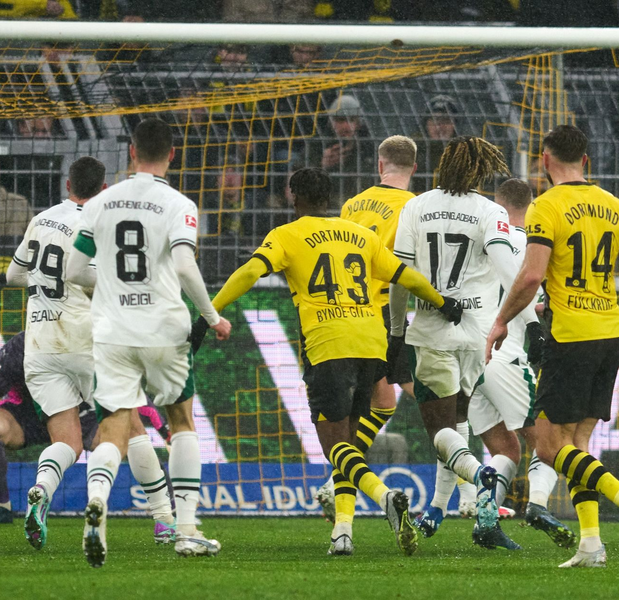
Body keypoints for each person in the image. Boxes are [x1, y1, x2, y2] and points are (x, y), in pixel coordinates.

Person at [208, 167, 463, 557]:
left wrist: (210, 312)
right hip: (372, 343)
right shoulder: (361, 235)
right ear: (329, 198)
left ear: (294, 197)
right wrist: (443, 302)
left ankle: (384, 496)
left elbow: (249, 272)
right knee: (351, 445)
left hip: (329, 344)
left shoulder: (286, 235)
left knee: (336, 447)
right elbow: (407, 277)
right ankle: (342, 531)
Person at [67, 118, 232, 567]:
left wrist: (110, 284)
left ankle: (97, 502)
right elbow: (183, 266)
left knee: (114, 426)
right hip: (164, 330)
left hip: (113, 333)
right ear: (172, 154)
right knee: (181, 421)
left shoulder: (101, 203)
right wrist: (212, 317)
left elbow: (73, 270)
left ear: (132, 152)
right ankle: (187, 531)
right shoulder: (179, 203)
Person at [389, 136, 544, 550]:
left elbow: (401, 275)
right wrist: (531, 323)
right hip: (478, 336)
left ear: (444, 165)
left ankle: (479, 476)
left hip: (432, 331)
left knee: (440, 429)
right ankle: (439, 508)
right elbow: (510, 270)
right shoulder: (490, 211)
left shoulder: (416, 206)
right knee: (459, 417)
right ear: (480, 171)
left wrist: (396, 331)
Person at [486, 124, 619, 568]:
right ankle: (590, 544)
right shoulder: (612, 204)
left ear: (544, 160)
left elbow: (530, 276)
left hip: (571, 335)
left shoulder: (546, 205)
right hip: (609, 330)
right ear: (586, 160)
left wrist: (501, 320)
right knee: (576, 444)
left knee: (547, 447)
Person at [416, 178, 574, 546]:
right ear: (529, 209)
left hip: (471, 355)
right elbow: (532, 291)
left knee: (506, 448)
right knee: (547, 440)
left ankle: (483, 520)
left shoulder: (478, 238)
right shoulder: (530, 245)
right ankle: (538, 505)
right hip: (506, 354)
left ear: (496, 204)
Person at [0, 331, 176, 539]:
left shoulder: (83, 338)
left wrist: (165, 432)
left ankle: (45, 490)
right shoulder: (20, 347)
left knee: (127, 434)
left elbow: (134, 397)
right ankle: (4, 507)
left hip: (79, 416)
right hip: (29, 416)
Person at [314, 135, 418, 540]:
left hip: (348, 310)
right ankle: (341, 491)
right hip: (388, 314)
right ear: (414, 168)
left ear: (379, 165)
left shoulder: (352, 205)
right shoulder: (415, 207)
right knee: (412, 398)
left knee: (382, 402)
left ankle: (337, 491)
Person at [3, 156, 105, 550]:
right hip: (83, 341)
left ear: (67, 184)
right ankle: (164, 518)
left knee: (68, 443)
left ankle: (41, 490)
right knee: (121, 429)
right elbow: (92, 277)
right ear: (104, 190)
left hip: (40, 345)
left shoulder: (41, 219)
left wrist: (45, 285)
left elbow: (13, 276)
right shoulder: (96, 223)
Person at [291, 93, 375, 209]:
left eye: (351, 120)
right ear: (331, 122)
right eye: (340, 120)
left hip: (359, 204)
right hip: (323, 204)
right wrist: (322, 166)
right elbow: (296, 185)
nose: (346, 126)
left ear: (358, 123)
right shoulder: (317, 146)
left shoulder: (367, 148)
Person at [414, 95, 459, 191]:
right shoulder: (413, 149)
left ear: (455, 125)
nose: (440, 127)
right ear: (426, 124)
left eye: (446, 121)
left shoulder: (464, 151)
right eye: (434, 120)